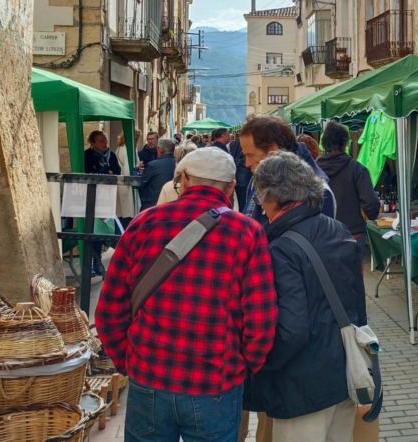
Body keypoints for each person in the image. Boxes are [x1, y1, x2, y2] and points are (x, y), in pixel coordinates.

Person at [96, 148, 277, 442]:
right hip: (215, 381)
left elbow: (108, 312)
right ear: (231, 186)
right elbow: (261, 320)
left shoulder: (142, 224)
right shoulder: (247, 232)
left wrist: (128, 362)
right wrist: (240, 367)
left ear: (183, 179)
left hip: (149, 375)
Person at [242, 151, 366, 442]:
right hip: (344, 372)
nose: (261, 206)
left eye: (260, 196)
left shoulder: (281, 248)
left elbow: (292, 330)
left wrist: (260, 364)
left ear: (273, 196)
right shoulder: (337, 228)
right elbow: (358, 304)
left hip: (301, 385)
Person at [237, 115, 335, 224]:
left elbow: (319, 238)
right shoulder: (260, 178)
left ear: (272, 151)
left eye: (250, 155)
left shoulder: (318, 191)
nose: (247, 163)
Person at [316, 122, 379, 255]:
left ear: (324, 144)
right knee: (353, 273)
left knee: (324, 274)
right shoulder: (357, 169)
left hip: (320, 233)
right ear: (345, 144)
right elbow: (371, 203)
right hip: (351, 233)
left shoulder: (312, 169)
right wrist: (368, 213)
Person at [85, 130, 122, 276]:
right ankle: (93, 263)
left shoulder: (111, 154)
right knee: (93, 230)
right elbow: (89, 171)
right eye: (101, 140)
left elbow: (117, 171)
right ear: (93, 142)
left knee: (104, 230)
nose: (105, 142)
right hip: (92, 197)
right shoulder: (88, 154)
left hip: (107, 197)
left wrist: (104, 172)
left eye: (105, 139)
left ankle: (98, 263)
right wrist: (107, 172)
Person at [138, 138, 176, 210]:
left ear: (160, 150)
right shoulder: (179, 163)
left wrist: (135, 170)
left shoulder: (153, 165)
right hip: (173, 204)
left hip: (153, 205)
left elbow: (140, 184)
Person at [116, 132, 138, 225]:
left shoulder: (119, 148)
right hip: (127, 185)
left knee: (122, 213)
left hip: (120, 183)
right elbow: (127, 170)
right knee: (128, 213)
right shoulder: (128, 149)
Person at [228, 135, 252, 212]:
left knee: (241, 201)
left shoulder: (232, 144)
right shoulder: (249, 145)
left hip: (237, 176)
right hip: (245, 177)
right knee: (245, 200)